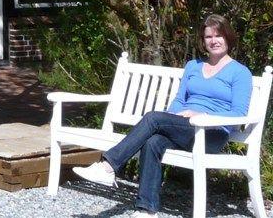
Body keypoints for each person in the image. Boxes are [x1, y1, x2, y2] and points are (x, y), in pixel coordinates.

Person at [72, 14, 253, 218]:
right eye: (208, 36)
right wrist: (171, 117)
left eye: (218, 35)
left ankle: (108, 166)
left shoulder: (240, 72)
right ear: (203, 41)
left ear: (227, 37)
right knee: (153, 141)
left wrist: (202, 113)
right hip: (185, 127)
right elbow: (179, 101)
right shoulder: (193, 66)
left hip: (211, 133)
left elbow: (239, 113)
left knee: (153, 118)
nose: (213, 41)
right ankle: (147, 209)